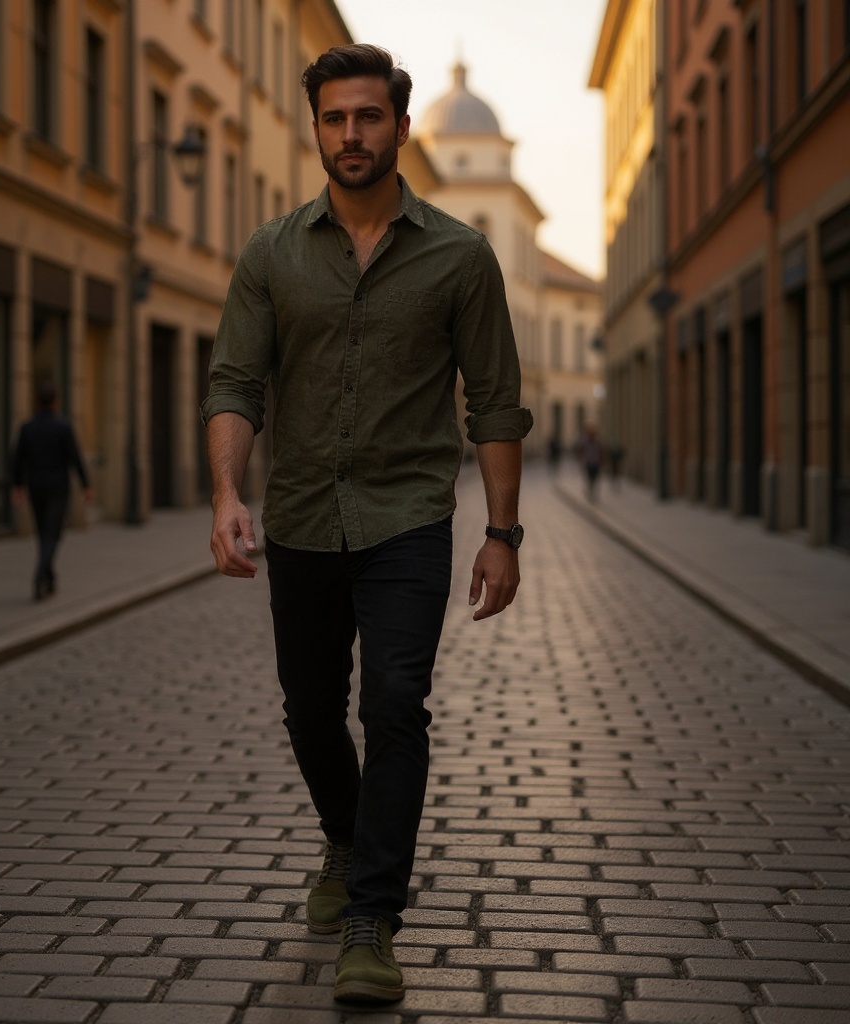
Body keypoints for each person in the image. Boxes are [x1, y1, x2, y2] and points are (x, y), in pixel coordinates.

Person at [200, 44, 532, 1006]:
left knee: (394, 706)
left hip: (409, 520)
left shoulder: (461, 256)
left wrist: (502, 535)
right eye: (335, 119)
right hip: (300, 515)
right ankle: (345, 840)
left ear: (401, 127)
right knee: (310, 710)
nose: (352, 134)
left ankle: (372, 917)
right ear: (317, 129)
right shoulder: (270, 252)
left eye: (369, 117)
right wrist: (228, 495)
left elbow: (497, 404)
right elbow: (234, 381)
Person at [11, 383, 92, 601]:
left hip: (35, 486)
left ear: (38, 402)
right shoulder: (63, 427)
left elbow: (18, 459)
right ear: (55, 402)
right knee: (52, 533)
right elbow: (75, 457)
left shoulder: (27, 428)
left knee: (42, 532)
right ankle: (40, 577)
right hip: (57, 487)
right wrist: (86, 485)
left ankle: (49, 576)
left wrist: (18, 486)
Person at [579, 423, 604, 501]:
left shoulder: (598, 442)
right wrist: (581, 460)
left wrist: (603, 461)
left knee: (595, 478)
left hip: (596, 463)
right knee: (589, 478)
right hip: (588, 463)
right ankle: (590, 491)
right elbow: (581, 451)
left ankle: (592, 491)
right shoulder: (585, 442)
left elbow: (602, 452)